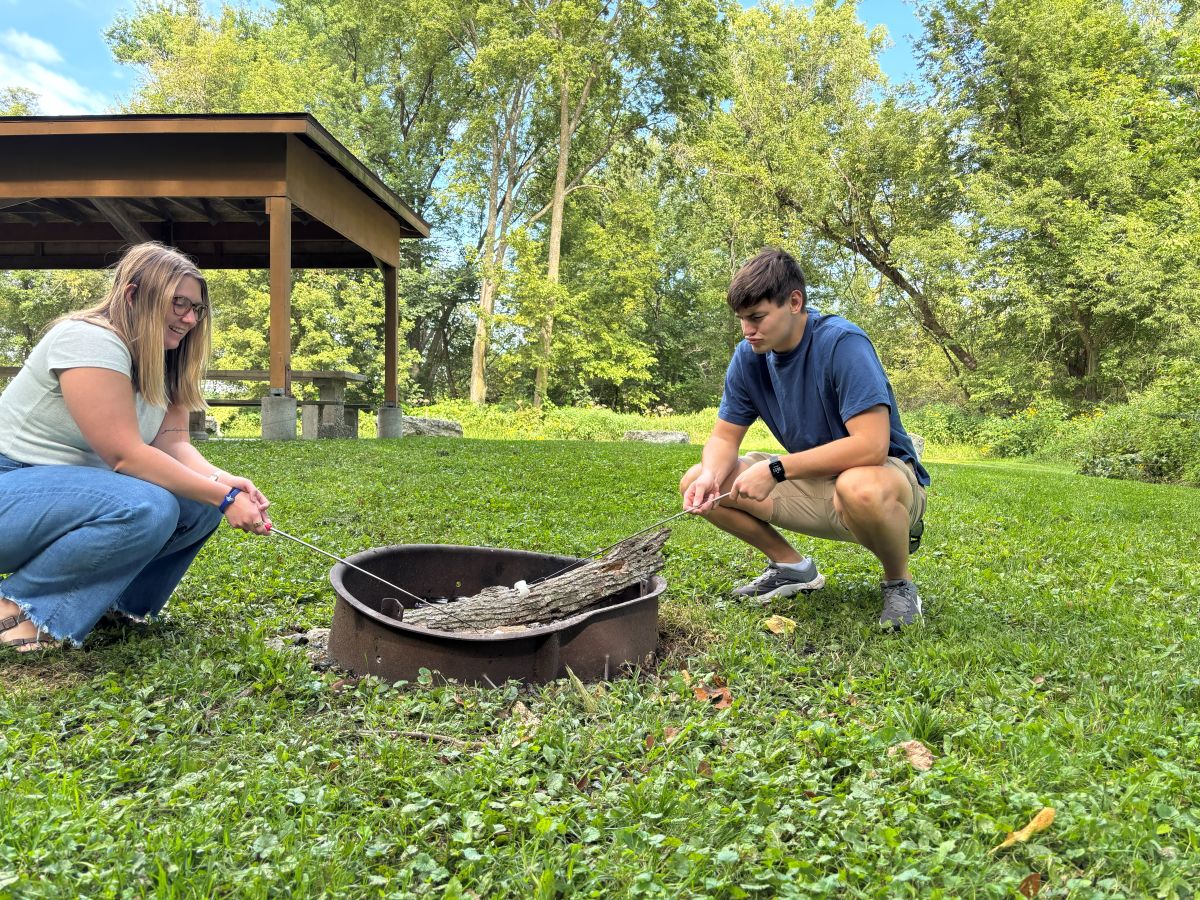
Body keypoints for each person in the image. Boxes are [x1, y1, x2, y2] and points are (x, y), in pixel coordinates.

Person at [0, 241, 272, 651]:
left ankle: (115, 608)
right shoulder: (88, 340)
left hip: (65, 496)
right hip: (11, 486)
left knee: (196, 508)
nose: (189, 317)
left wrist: (222, 481)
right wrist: (225, 496)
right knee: (146, 505)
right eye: (178, 302)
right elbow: (125, 456)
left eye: (196, 308)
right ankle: (18, 610)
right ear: (133, 294)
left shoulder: (165, 359)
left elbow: (173, 444)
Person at [681, 248, 929, 629]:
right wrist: (710, 476)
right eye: (743, 320)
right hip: (813, 481)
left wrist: (777, 469)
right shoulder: (748, 357)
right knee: (700, 480)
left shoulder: (842, 343)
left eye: (758, 317)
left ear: (794, 302)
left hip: (882, 479)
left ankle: (899, 582)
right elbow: (724, 438)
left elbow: (871, 446)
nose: (748, 330)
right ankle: (792, 567)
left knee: (859, 485)